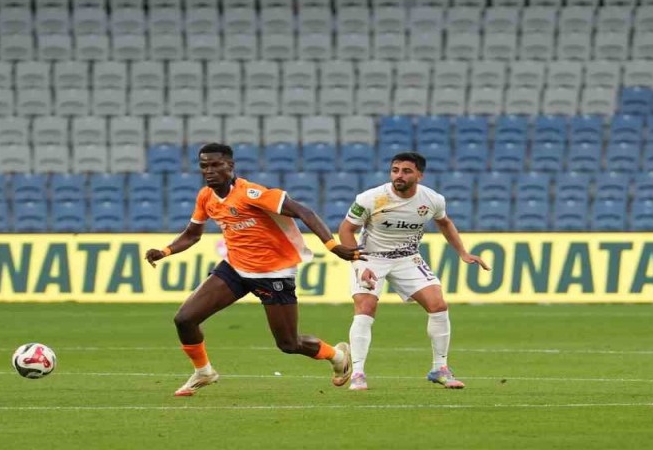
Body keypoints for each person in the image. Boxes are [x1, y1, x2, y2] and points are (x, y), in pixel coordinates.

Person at [145, 143, 359, 397]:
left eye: (216, 165)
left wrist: (333, 245)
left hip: (273, 274)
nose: (209, 171)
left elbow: (304, 211)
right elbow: (192, 235)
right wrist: (166, 251)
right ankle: (203, 371)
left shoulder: (252, 194)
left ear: (230, 166)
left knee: (289, 344)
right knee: (184, 319)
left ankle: (337, 355)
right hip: (235, 269)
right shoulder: (206, 196)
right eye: (204, 166)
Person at [336, 151, 489, 391]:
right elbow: (345, 230)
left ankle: (440, 369)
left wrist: (463, 252)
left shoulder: (432, 199)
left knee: (438, 304)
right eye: (395, 170)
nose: (399, 175)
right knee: (366, 307)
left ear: (419, 175)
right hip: (370, 258)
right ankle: (357, 373)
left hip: (408, 258)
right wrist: (358, 265)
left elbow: (445, 223)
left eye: (406, 171)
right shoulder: (370, 198)